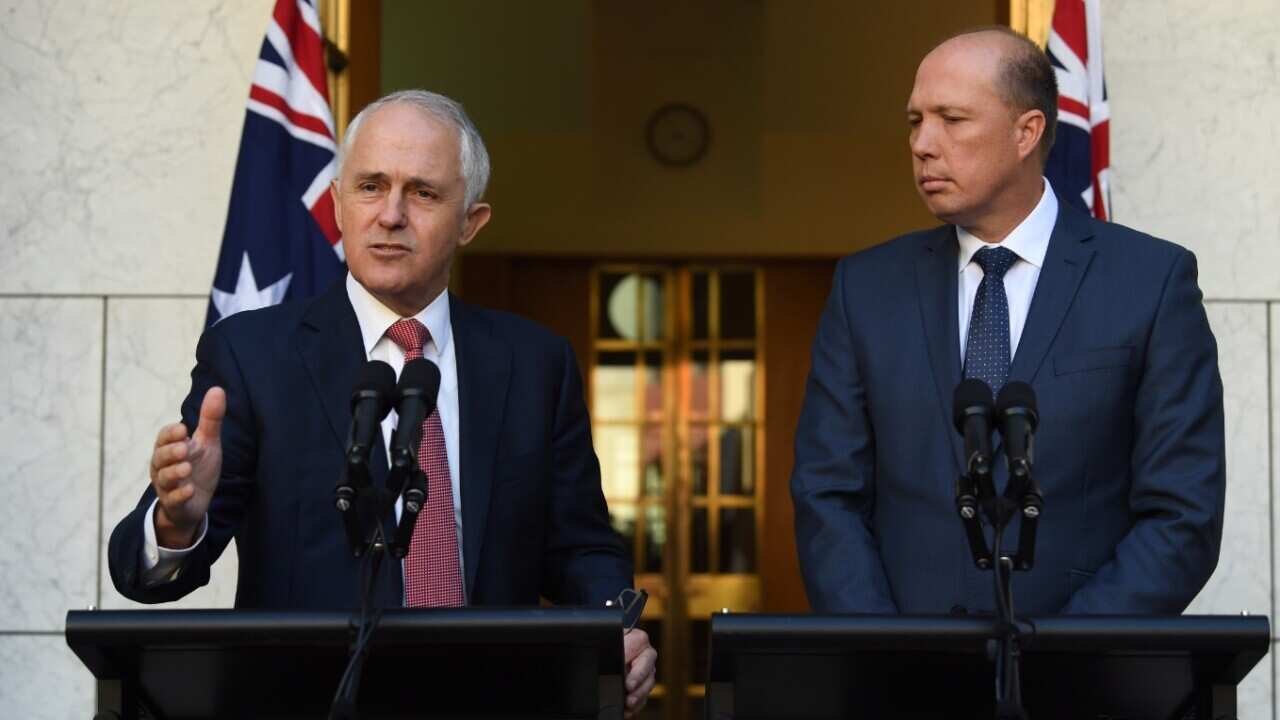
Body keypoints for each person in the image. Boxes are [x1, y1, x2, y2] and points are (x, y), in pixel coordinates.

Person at [108, 89, 656, 713]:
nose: (390, 213)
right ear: (338, 203)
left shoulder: (535, 365)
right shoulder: (253, 356)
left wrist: (620, 627)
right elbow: (141, 572)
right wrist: (177, 522)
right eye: (370, 186)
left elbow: (580, 546)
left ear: (471, 222)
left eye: (422, 192)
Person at [791, 28, 1225, 615]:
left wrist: (1064, 655)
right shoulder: (865, 289)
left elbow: (1182, 514)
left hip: (1084, 685)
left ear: (1027, 132)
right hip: (903, 680)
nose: (923, 143)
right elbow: (827, 497)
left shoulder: (1150, 282)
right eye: (915, 121)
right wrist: (885, 652)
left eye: (951, 118)